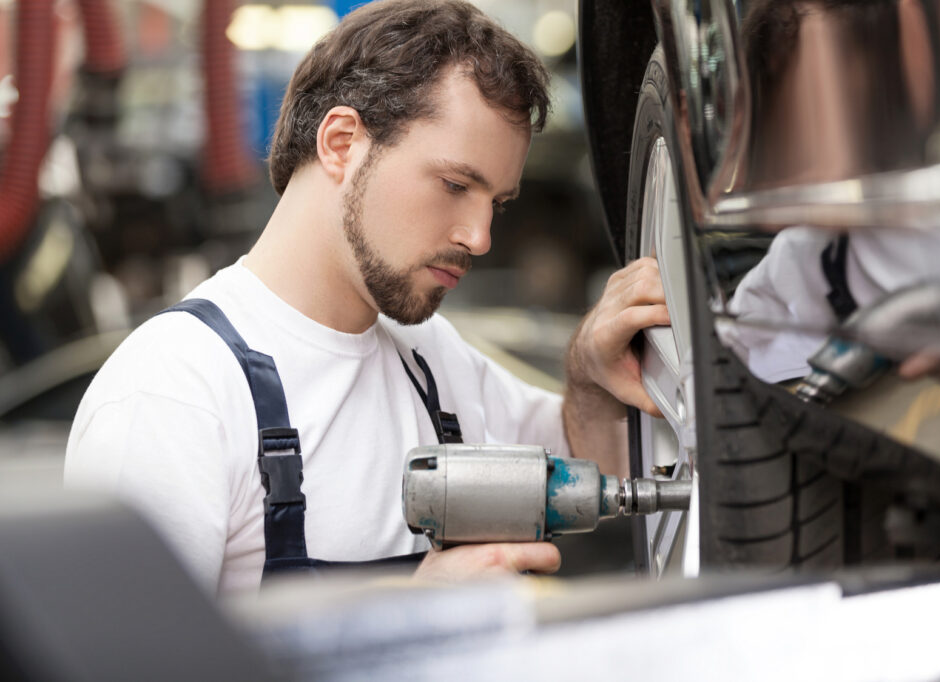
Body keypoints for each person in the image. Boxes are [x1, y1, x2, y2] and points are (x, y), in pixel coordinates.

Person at [64, 0, 668, 594]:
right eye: (456, 185)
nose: (479, 237)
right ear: (341, 142)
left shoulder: (429, 359)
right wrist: (405, 617)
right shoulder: (175, 392)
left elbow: (589, 471)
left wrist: (588, 371)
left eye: (497, 205)